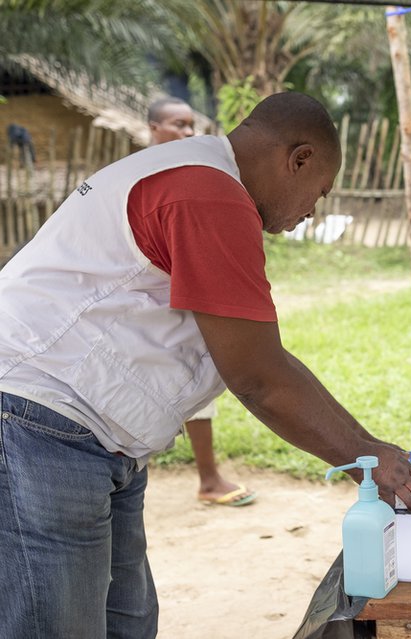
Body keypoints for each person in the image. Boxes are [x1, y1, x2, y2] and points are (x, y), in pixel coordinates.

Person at [0, 91, 411, 638]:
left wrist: (366, 444)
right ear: (298, 158)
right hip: (40, 423)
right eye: (319, 192)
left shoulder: (202, 179)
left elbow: (266, 358)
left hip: (90, 436)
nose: (312, 212)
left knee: (126, 625)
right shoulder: (208, 193)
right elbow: (257, 377)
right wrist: (366, 456)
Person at [147, 96, 254, 507]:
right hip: (152, 302)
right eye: (178, 124)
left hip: (185, 295)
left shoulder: (194, 174)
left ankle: (208, 478)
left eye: (192, 124)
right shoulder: (140, 173)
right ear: (154, 128)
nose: (188, 132)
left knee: (195, 378)